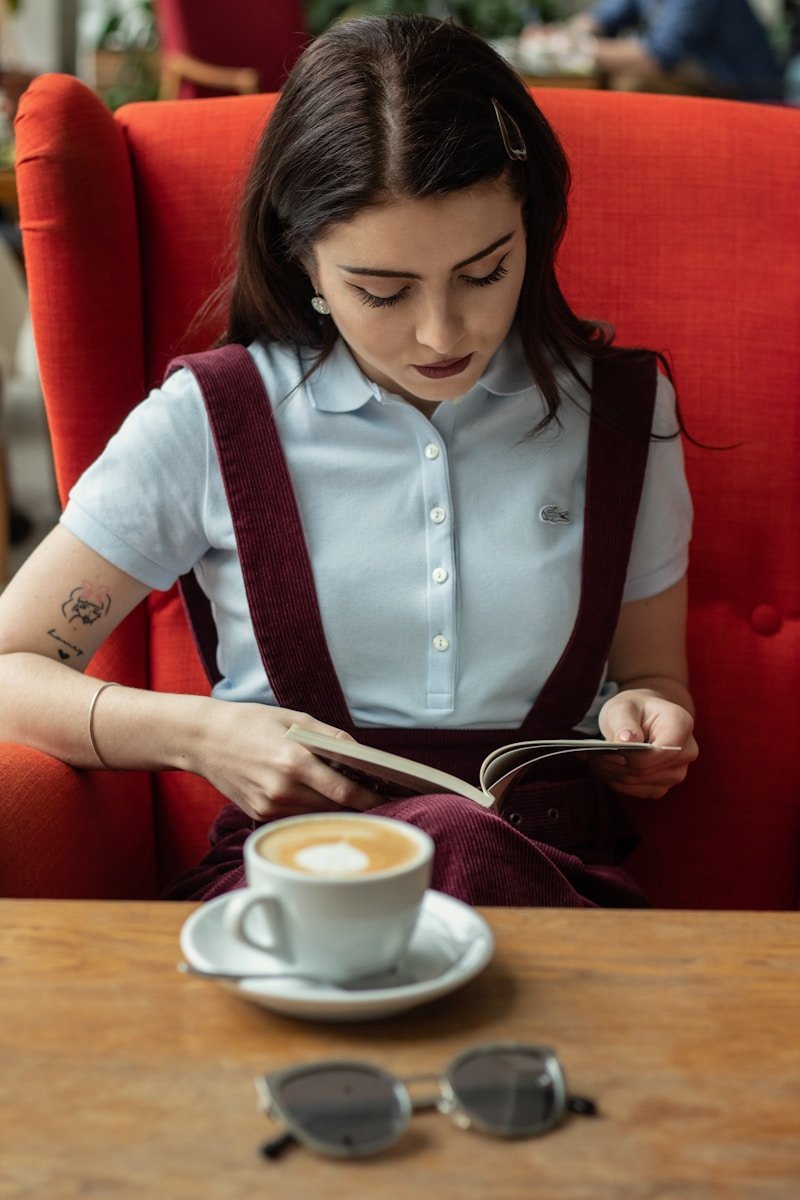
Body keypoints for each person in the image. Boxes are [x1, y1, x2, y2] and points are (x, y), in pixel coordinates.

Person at [0, 14, 697, 907]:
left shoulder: (622, 414)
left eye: (485, 273)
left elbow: (651, 679)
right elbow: (18, 666)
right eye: (382, 291)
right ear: (306, 265)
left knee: (463, 848)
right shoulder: (210, 421)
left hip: (547, 885)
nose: (443, 334)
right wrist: (204, 735)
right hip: (291, 883)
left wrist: (648, 721)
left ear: (534, 225)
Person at [528, 0, 784, 100]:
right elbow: (600, 19)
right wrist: (559, 34)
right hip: (697, 76)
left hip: (741, 88)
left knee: (631, 82)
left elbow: (654, 57)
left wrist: (567, 49)